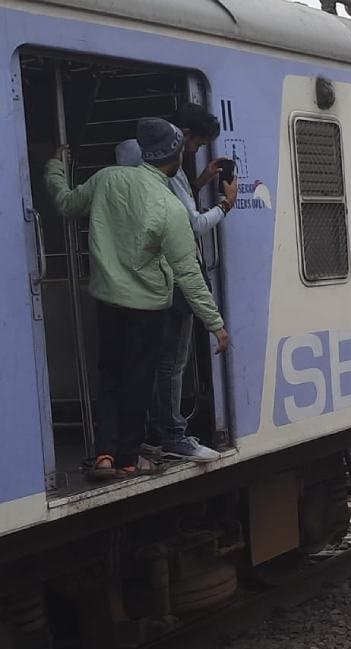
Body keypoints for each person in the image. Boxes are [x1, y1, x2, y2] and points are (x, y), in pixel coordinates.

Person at [45, 118, 229, 480]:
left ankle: (104, 456)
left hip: (108, 302)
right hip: (147, 308)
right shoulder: (168, 205)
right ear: (174, 156)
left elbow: (67, 204)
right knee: (138, 380)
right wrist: (216, 324)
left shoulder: (107, 179)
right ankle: (128, 458)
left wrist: (55, 167)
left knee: (110, 378)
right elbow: (189, 275)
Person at [115, 104, 236, 463]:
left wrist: (198, 182)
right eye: (196, 143)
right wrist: (226, 205)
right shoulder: (163, 171)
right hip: (173, 282)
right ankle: (173, 434)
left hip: (147, 280)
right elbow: (193, 224)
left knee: (152, 359)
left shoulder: (143, 168)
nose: (196, 151)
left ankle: (152, 432)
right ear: (182, 136)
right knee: (173, 362)